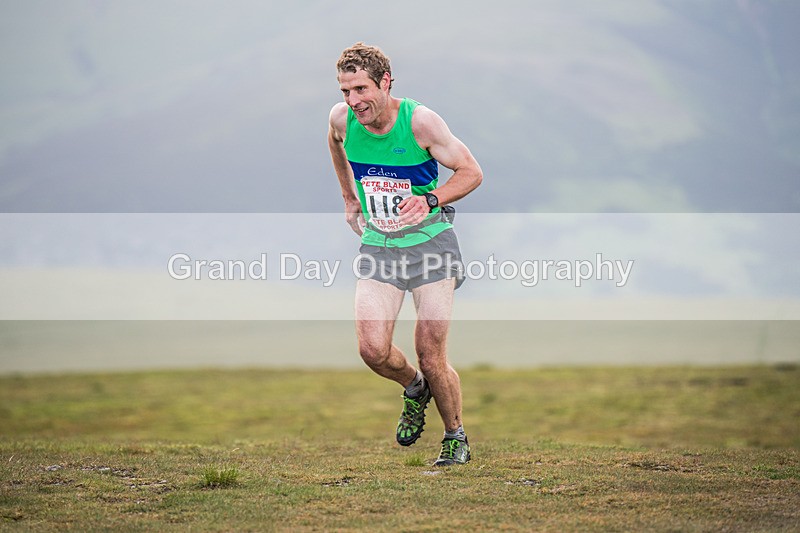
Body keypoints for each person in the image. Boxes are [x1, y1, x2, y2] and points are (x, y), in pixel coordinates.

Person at [327, 42, 483, 466]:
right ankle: (415, 388)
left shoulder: (421, 123)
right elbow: (335, 143)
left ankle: (455, 437)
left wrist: (431, 199)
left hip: (431, 246)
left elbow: (471, 172)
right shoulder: (342, 119)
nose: (353, 101)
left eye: (361, 89)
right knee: (372, 350)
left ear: (385, 82)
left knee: (431, 354)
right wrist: (348, 196)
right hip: (380, 244)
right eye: (345, 91)